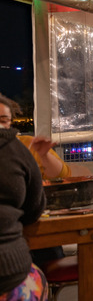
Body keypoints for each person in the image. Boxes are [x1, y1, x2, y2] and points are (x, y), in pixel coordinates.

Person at [0, 95, 48, 301]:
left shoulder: (26, 146)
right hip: (10, 268)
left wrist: (44, 155)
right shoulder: (17, 149)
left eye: (5, 121)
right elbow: (34, 209)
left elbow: (61, 171)